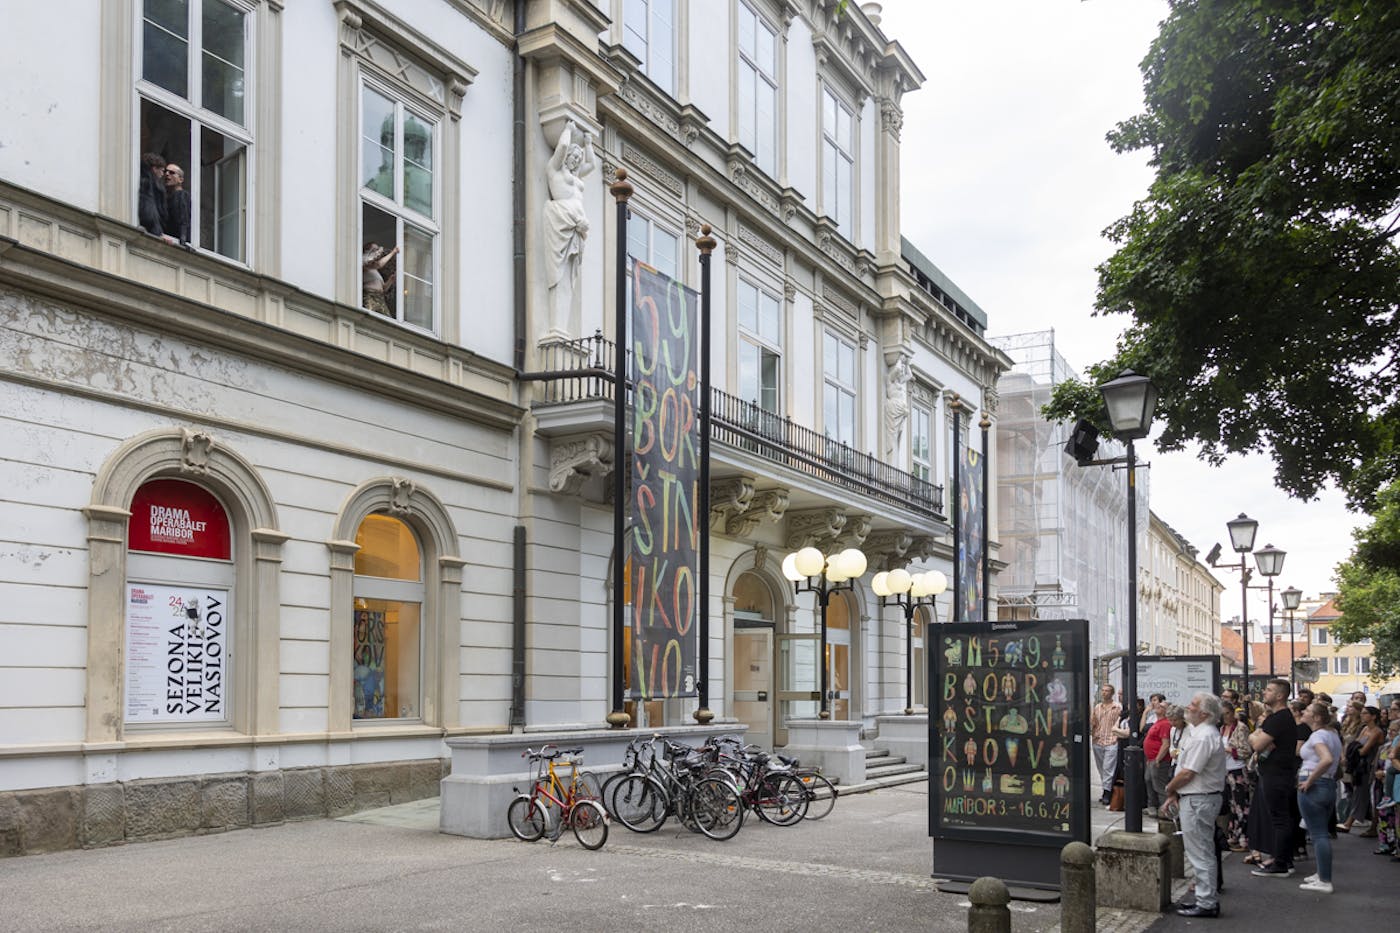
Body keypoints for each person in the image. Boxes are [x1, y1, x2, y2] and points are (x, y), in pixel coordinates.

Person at [1165, 691, 1228, 918]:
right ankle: (1205, 898)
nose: (1188, 707)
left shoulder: (1203, 737)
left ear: (1204, 713)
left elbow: (1188, 772)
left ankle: (1207, 902)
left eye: (1193, 704)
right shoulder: (1201, 733)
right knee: (1201, 851)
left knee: (1200, 852)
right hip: (1198, 797)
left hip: (1199, 798)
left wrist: (1170, 788)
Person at [543, 119, 594, 336]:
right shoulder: (555, 169)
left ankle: (561, 329)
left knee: (569, 278)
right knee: (560, 274)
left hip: (577, 229)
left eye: (578, 158)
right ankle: (556, 328)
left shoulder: (576, 176)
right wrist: (568, 130)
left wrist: (588, 144)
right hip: (562, 222)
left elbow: (592, 165)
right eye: (574, 156)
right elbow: (562, 147)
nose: (576, 160)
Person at [1248, 678, 1299, 877]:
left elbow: (1258, 744)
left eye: (1269, 690)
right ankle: (1283, 859)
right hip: (1277, 773)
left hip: (1276, 774)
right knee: (1281, 817)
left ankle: (1280, 863)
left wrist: (1254, 736)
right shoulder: (1279, 718)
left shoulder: (1279, 719)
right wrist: (1259, 736)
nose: (1264, 692)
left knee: (1279, 819)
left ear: (1280, 695)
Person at [1296, 701, 1343, 893]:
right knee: (1319, 832)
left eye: (1307, 710)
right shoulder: (1332, 734)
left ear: (1316, 717)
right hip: (1327, 784)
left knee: (1318, 834)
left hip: (1315, 784)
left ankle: (1324, 880)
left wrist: (1310, 780)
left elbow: (1327, 759)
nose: (1303, 712)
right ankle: (1322, 873)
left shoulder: (1317, 736)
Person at [1339, 706, 1384, 834]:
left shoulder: (1377, 731)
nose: (1362, 715)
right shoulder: (1364, 729)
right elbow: (1355, 745)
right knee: (1359, 793)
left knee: (1362, 794)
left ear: (1373, 716)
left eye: (1365, 713)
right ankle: (1370, 825)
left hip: (1370, 766)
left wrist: (1354, 749)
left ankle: (1350, 822)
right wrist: (1354, 749)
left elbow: (1363, 750)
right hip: (1359, 766)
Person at [1221, 703, 1253, 851]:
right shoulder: (1222, 729)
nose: (1225, 717)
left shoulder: (1241, 728)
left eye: (1227, 713)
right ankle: (1234, 834)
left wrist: (1229, 750)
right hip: (1226, 769)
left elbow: (1246, 750)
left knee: (1241, 805)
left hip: (1238, 769)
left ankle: (1244, 837)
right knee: (1232, 805)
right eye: (1222, 714)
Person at [1091, 683, 1121, 806]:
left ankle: (1107, 793)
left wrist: (1116, 736)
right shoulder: (1097, 707)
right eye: (1103, 690)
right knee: (1101, 768)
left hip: (1111, 740)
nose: (1104, 693)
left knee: (1108, 767)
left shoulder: (1117, 707)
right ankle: (1106, 789)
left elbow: (1119, 723)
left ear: (1112, 693)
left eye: (1107, 691)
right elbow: (1093, 722)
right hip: (1098, 740)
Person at [1143, 703, 1176, 815]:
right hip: (1151, 759)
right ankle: (1152, 806)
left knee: (1159, 785)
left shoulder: (1165, 724)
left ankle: (1166, 810)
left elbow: (1165, 744)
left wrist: (1158, 759)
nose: (1158, 706)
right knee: (1149, 780)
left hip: (1159, 760)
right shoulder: (1157, 722)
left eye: (1162, 706)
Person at [361, 242, 400, 317]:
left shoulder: (375, 271)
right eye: (374, 250)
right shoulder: (364, 264)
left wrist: (391, 279)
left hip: (380, 298)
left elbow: (384, 288)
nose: (377, 252)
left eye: (377, 249)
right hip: (370, 296)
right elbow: (379, 264)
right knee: (369, 317)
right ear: (367, 251)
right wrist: (393, 252)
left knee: (386, 319)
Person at [161, 163, 191, 246]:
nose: (167, 174)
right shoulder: (165, 198)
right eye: (166, 171)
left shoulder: (181, 195)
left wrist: (183, 241)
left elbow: (183, 219)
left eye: (172, 172)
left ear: (180, 180)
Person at [138, 152, 167, 237]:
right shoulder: (149, 185)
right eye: (162, 171)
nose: (163, 174)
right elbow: (149, 213)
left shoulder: (141, 180)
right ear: (154, 169)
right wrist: (158, 232)